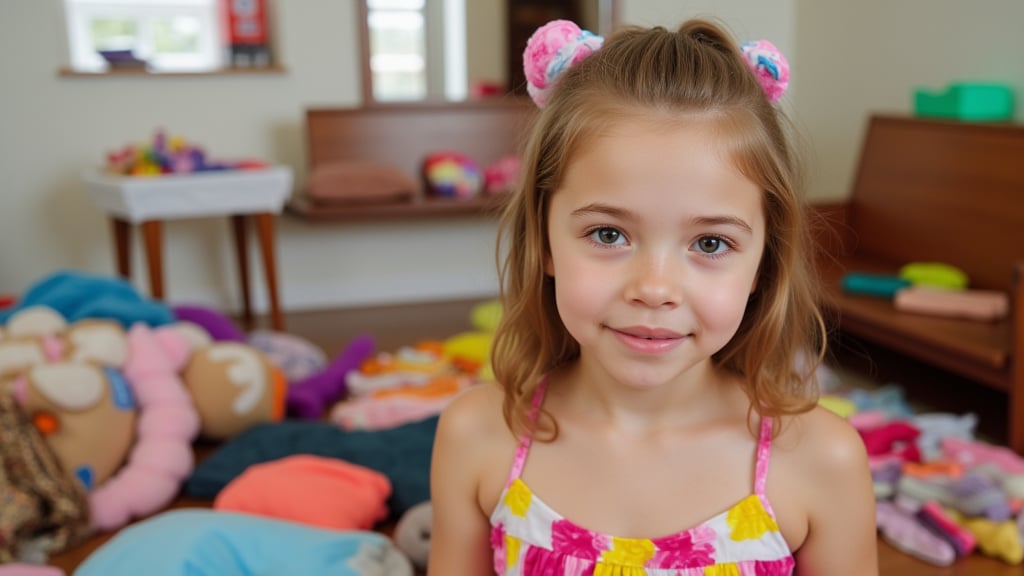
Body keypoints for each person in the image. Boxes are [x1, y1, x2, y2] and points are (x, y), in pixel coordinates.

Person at [429, 17, 877, 576]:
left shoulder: (820, 460)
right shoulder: (477, 434)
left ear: (765, 260)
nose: (655, 289)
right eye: (608, 234)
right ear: (544, 240)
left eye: (710, 242)